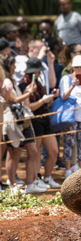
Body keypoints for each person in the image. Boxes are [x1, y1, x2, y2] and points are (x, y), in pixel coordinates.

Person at [1, 56, 45, 194]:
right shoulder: (5, 82)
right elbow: (12, 99)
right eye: (13, 65)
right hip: (11, 120)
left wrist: (26, 92)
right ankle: (12, 184)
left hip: (20, 121)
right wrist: (29, 94)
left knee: (25, 151)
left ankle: (29, 183)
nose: (15, 68)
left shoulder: (12, 80)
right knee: (12, 152)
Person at [18, 58, 60, 189]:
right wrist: (43, 100)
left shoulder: (38, 83)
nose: (40, 73)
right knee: (35, 153)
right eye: (38, 71)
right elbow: (28, 107)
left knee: (54, 151)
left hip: (45, 119)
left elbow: (43, 102)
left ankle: (47, 176)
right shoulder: (24, 85)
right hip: (34, 121)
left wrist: (50, 98)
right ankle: (35, 178)